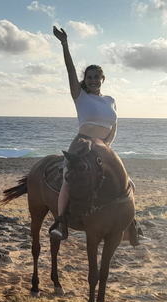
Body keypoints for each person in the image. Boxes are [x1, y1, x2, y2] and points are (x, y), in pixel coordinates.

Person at [49, 26, 150, 244]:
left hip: (103, 149)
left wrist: (106, 147)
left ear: (102, 79)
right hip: (80, 146)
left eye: (96, 77)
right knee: (68, 180)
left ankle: (132, 226)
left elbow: (114, 126)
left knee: (127, 183)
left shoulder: (110, 100)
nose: (92, 80)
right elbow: (69, 70)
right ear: (84, 80)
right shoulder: (80, 97)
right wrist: (64, 44)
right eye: (89, 77)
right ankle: (61, 223)